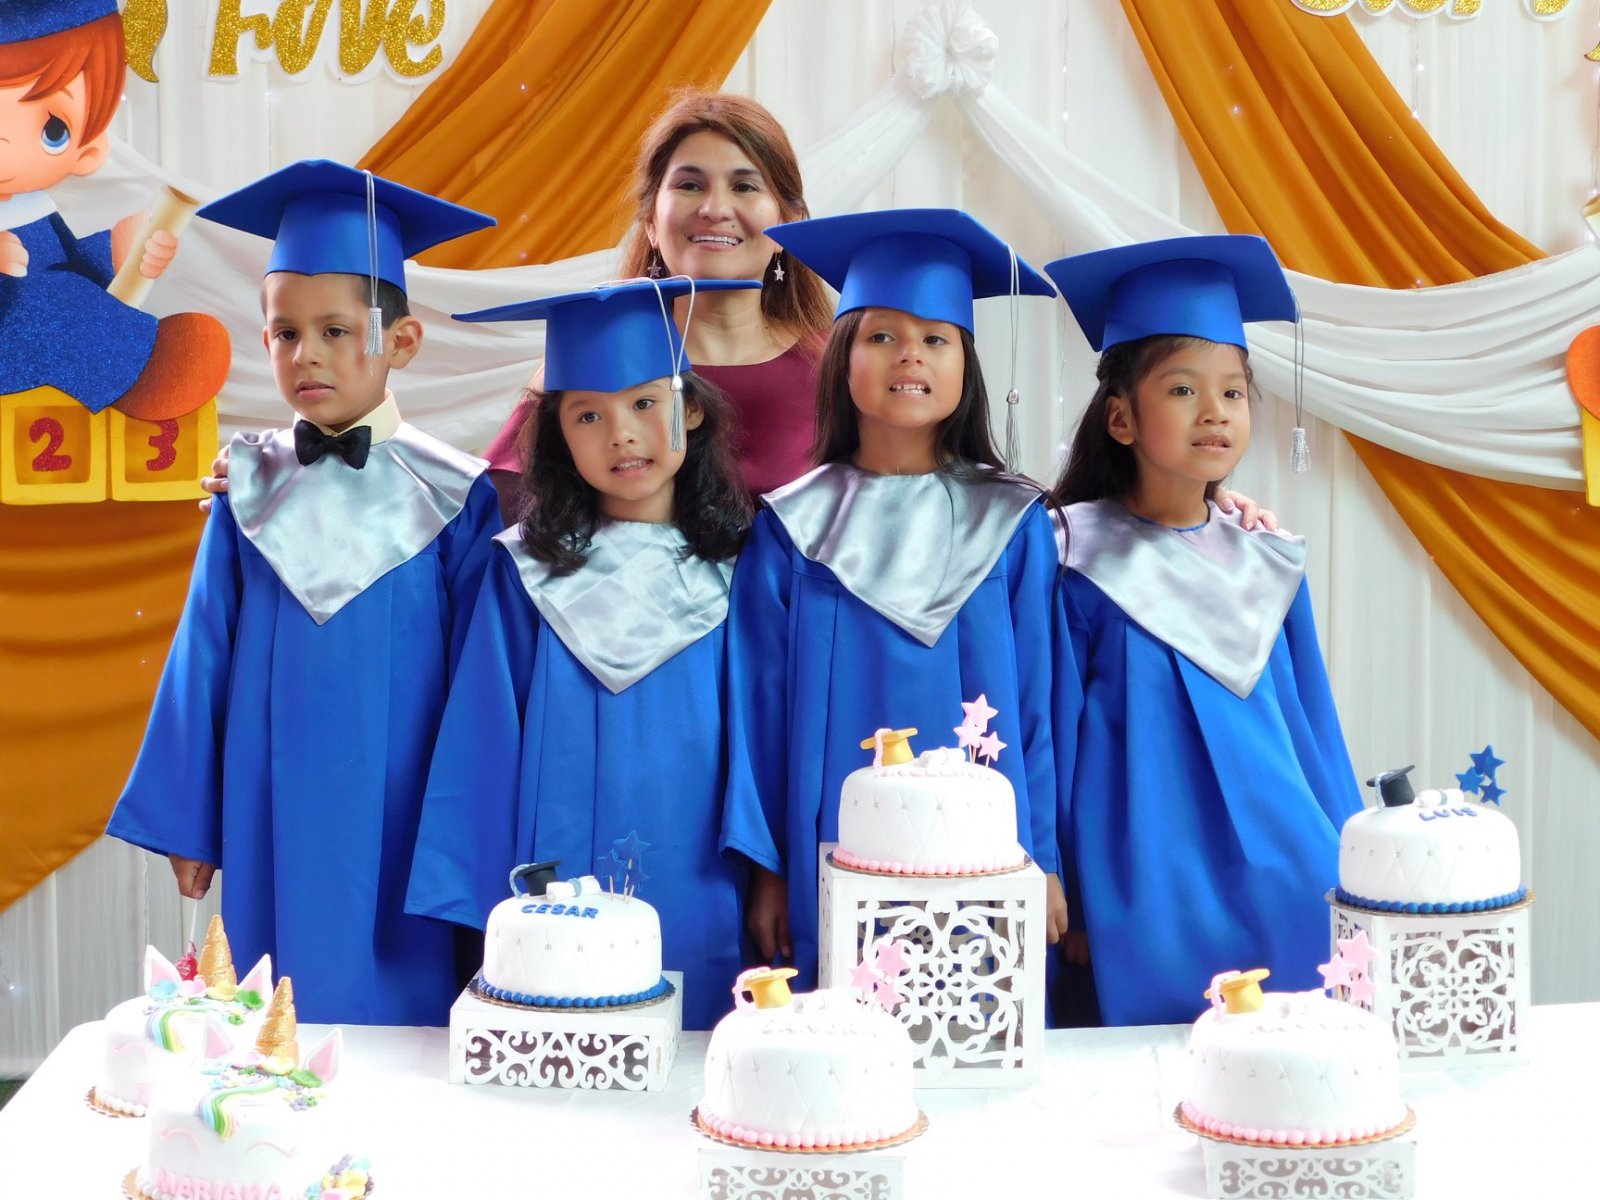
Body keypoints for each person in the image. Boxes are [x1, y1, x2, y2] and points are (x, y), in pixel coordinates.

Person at [106, 161, 502, 1025]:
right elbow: (203, 649)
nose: (307, 354)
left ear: (402, 341)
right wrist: (189, 819)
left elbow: (484, 682)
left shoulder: (458, 494)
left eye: (335, 330)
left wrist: (470, 834)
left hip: (408, 798)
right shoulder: (247, 484)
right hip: (269, 794)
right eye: (285, 333)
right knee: (277, 1003)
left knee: (409, 1007)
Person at [722, 209, 1070, 990]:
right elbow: (758, 713)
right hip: (827, 845)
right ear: (840, 359)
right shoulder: (793, 527)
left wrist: (1043, 857)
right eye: (881, 335)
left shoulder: (1013, 522)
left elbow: (1039, 705)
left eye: (936, 338)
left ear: (966, 368)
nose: (910, 353)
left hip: (991, 851)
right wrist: (768, 870)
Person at [408, 277, 758, 1029]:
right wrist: (475, 899)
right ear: (559, 437)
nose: (621, 435)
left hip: (703, 862)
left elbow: (764, 739)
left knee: (695, 1038)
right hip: (550, 872)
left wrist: (766, 872)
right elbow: (481, 739)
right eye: (588, 415)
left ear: (691, 409)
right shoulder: (522, 572)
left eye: (644, 404)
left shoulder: (743, 569)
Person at [1044, 235, 1362, 1027]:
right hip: (1145, 874)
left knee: (1292, 1043)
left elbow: (1313, 729)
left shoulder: (1268, 558)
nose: (1215, 411)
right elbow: (1053, 731)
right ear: (1121, 418)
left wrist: (1360, 861)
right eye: (1183, 389)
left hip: (1285, 860)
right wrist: (1063, 878)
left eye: (1234, 392)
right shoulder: (1072, 556)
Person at [481, 90, 835, 522]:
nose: (714, 208)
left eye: (744, 186)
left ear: (788, 222)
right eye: (689, 185)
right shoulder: (586, 365)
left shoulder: (840, 368)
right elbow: (499, 519)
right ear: (650, 221)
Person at [0, 0, 228, 418]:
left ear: (87, 152)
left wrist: (123, 251)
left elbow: (74, 263)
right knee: (54, 302)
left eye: (53, 129)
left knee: (68, 295)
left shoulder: (36, 207)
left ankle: (150, 364)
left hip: (48, 336)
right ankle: (141, 372)